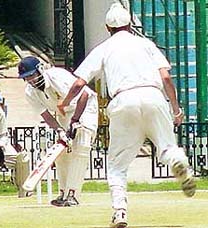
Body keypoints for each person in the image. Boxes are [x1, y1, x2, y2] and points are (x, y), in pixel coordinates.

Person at [57, 3, 196, 228]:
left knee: (117, 165)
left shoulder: (104, 48)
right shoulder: (146, 44)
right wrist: (176, 110)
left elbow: (80, 82)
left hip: (123, 100)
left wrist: (65, 103)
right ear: (130, 25)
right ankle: (178, 161)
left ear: (107, 28)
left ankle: (120, 211)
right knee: (167, 147)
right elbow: (167, 79)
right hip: (154, 95)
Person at [18, 56, 98, 206]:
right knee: (62, 152)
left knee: (81, 145)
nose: (30, 80)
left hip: (85, 107)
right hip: (64, 113)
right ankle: (63, 193)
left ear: (39, 70)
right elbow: (46, 115)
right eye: (26, 78)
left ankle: (73, 194)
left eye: (31, 75)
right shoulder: (30, 92)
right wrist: (60, 131)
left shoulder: (57, 75)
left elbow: (84, 95)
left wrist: (75, 121)